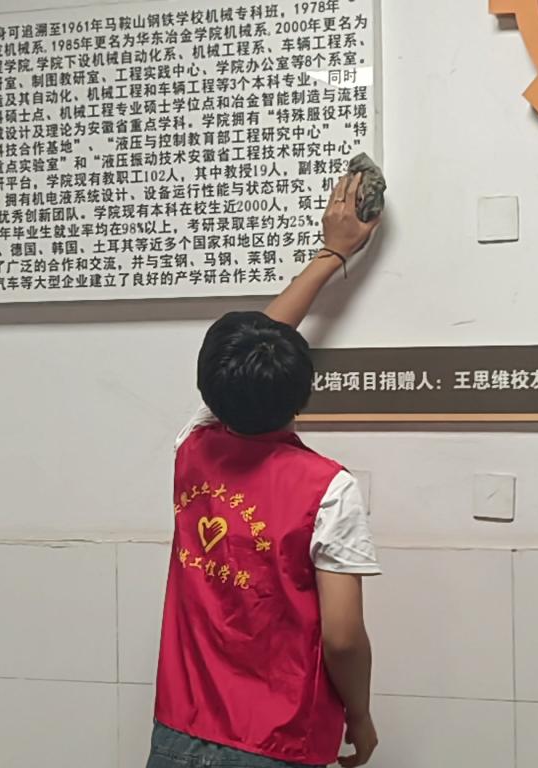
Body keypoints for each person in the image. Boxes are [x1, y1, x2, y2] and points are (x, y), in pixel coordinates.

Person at [149, 174, 383, 768]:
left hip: (177, 732)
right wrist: (359, 714)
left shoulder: (193, 447)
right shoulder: (327, 489)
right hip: (279, 742)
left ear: (209, 386)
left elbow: (252, 349)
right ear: (304, 392)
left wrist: (330, 254)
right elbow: (342, 637)